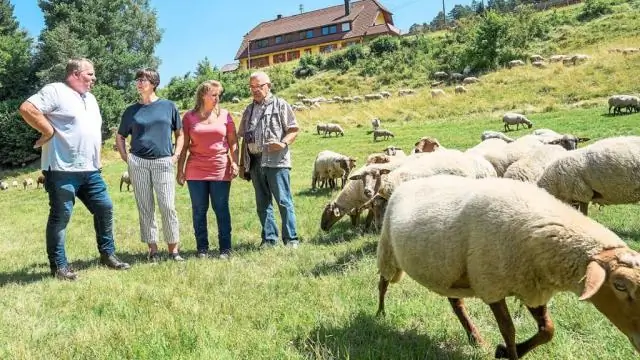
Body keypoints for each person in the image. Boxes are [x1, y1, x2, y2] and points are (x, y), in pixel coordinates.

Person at [18, 58, 131, 281]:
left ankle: (107, 255)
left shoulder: (91, 98)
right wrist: (48, 131)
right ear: (75, 74)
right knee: (61, 217)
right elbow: (27, 108)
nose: (94, 78)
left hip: (91, 170)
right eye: (90, 74)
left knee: (105, 208)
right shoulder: (56, 91)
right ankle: (59, 267)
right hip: (61, 169)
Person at [116, 68, 184, 263]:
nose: (139, 83)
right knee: (145, 207)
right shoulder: (131, 111)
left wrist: (176, 155)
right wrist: (125, 156)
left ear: (154, 83)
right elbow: (120, 136)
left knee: (168, 206)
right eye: (137, 80)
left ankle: (174, 250)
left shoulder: (168, 106)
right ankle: (153, 250)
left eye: (143, 79)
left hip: (164, 161)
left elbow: (180, 134)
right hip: (138, 163)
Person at [238, 71, 300, 249]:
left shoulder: (281, 105)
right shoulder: (248, 110)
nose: (255, 90)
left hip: (276, 161)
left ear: (269, 86)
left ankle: (291, 240)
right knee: (262, 203)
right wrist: (243, 164)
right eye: (252, 87)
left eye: (259, 86)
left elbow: (294, 129)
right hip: (255, 162)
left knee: (283, 201)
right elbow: (244, 138)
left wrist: (282, 143)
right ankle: (269, 239)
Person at [177, 80, 239, 259]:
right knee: (199, 209)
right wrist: (180, 170)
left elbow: (233, 141)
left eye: (219, 94)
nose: (217, 98)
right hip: (195, 168)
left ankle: (225, 249)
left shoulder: (226, 115)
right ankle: (202, 248)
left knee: (221, 208)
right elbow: (185, 144)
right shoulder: (189, 117)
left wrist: (235, 162)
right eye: (214, 94)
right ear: (203, 95)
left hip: (220, 167)